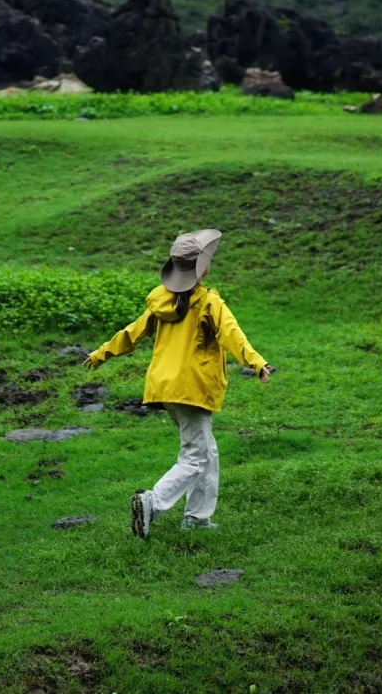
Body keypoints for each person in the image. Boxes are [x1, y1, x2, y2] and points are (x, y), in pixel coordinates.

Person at [85, 229, 273, 537]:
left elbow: (131, 333)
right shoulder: (208, 302)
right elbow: (232, 334)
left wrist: (100, 354)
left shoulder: (161, 301)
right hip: (192, 389)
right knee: (195, 456)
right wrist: (257, 362)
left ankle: (197, 518)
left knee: (206, 452)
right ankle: (152, 502)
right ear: (202, 267)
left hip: (165, 387)